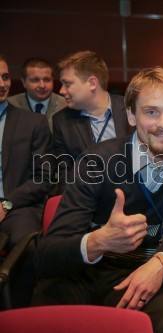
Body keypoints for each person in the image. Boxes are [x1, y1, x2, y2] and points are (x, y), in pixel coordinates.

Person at [33, 67, 163, 333]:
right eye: (151, 112)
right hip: (80, 274)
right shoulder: (96, 161)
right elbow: (47, 256)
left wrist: (160, 263)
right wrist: (99, 241)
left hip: (142, 272)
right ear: (131, 115)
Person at [0, 55, 53, 307]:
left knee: (26, 250)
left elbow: (43, 179)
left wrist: (6, 204)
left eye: (4, 77)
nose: (2, 84)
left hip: (17, 207)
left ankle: (18, 314)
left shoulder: (32, 122)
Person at [52, 50, 133, 192]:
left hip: (132, 193)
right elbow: (66, 174)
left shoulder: (131, 110)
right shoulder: (61, 122)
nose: (61, 91)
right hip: (88, 198)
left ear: (92, 83)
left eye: (67, 84)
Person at [7, 57, 67, 130]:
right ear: (23, 82)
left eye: (47, 80)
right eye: (35, 80)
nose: (42, 85)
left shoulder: (65, 105)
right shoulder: (10, 105)